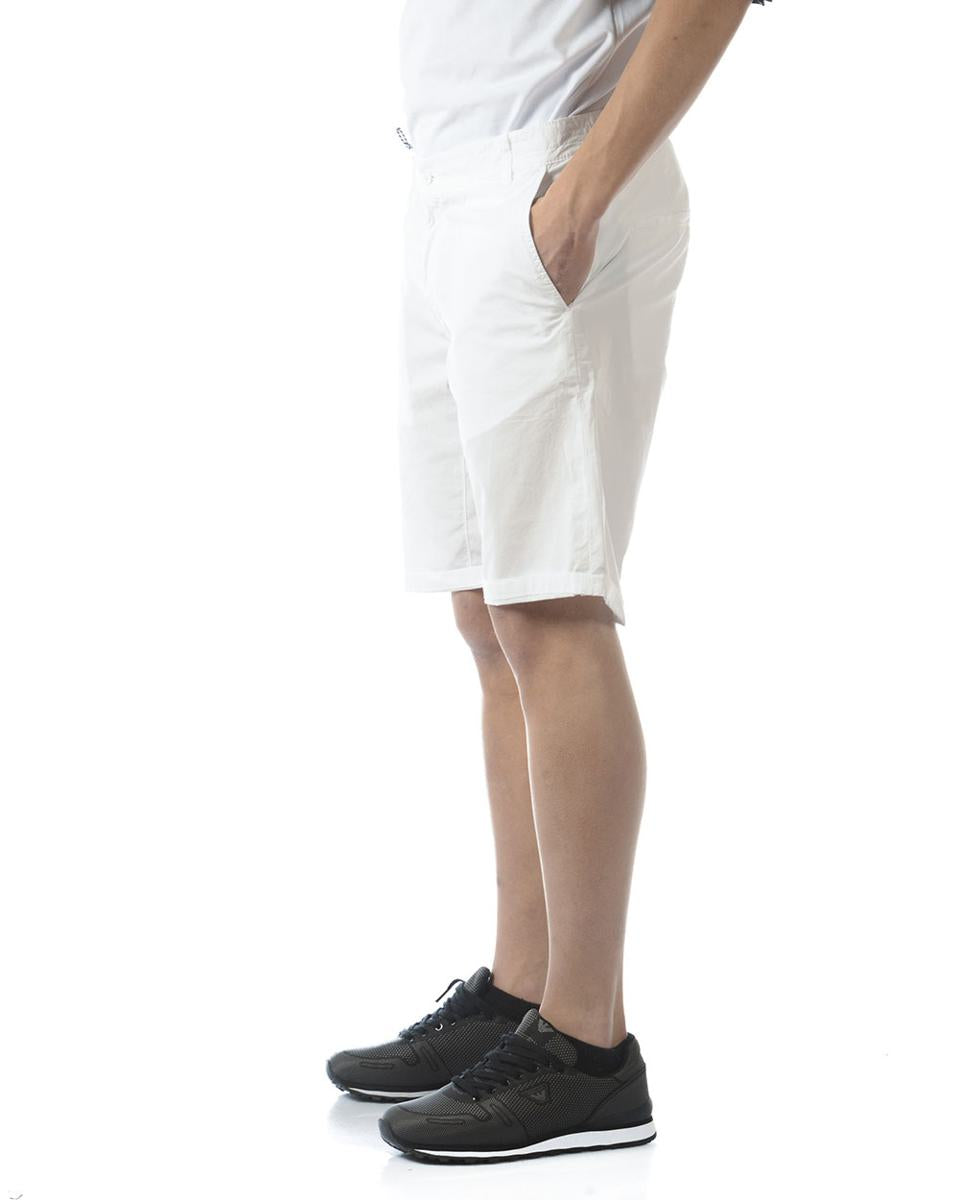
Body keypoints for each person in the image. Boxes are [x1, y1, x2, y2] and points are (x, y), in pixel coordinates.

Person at [328, 0, 770, 1163]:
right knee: (486, 610)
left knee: (546, 605)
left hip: (552, 170)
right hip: (452, 175)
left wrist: (579, 194)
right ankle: (522, 989)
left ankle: (586, 1047)